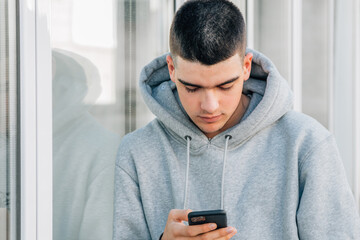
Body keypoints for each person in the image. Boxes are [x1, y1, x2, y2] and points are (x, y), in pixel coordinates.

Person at [113, 0, 360, 239]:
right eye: (192, 88)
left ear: (245, 67)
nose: (210, 106)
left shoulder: (306, 144)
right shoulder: (137, 152)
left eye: (225, 86)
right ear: (171, 69)